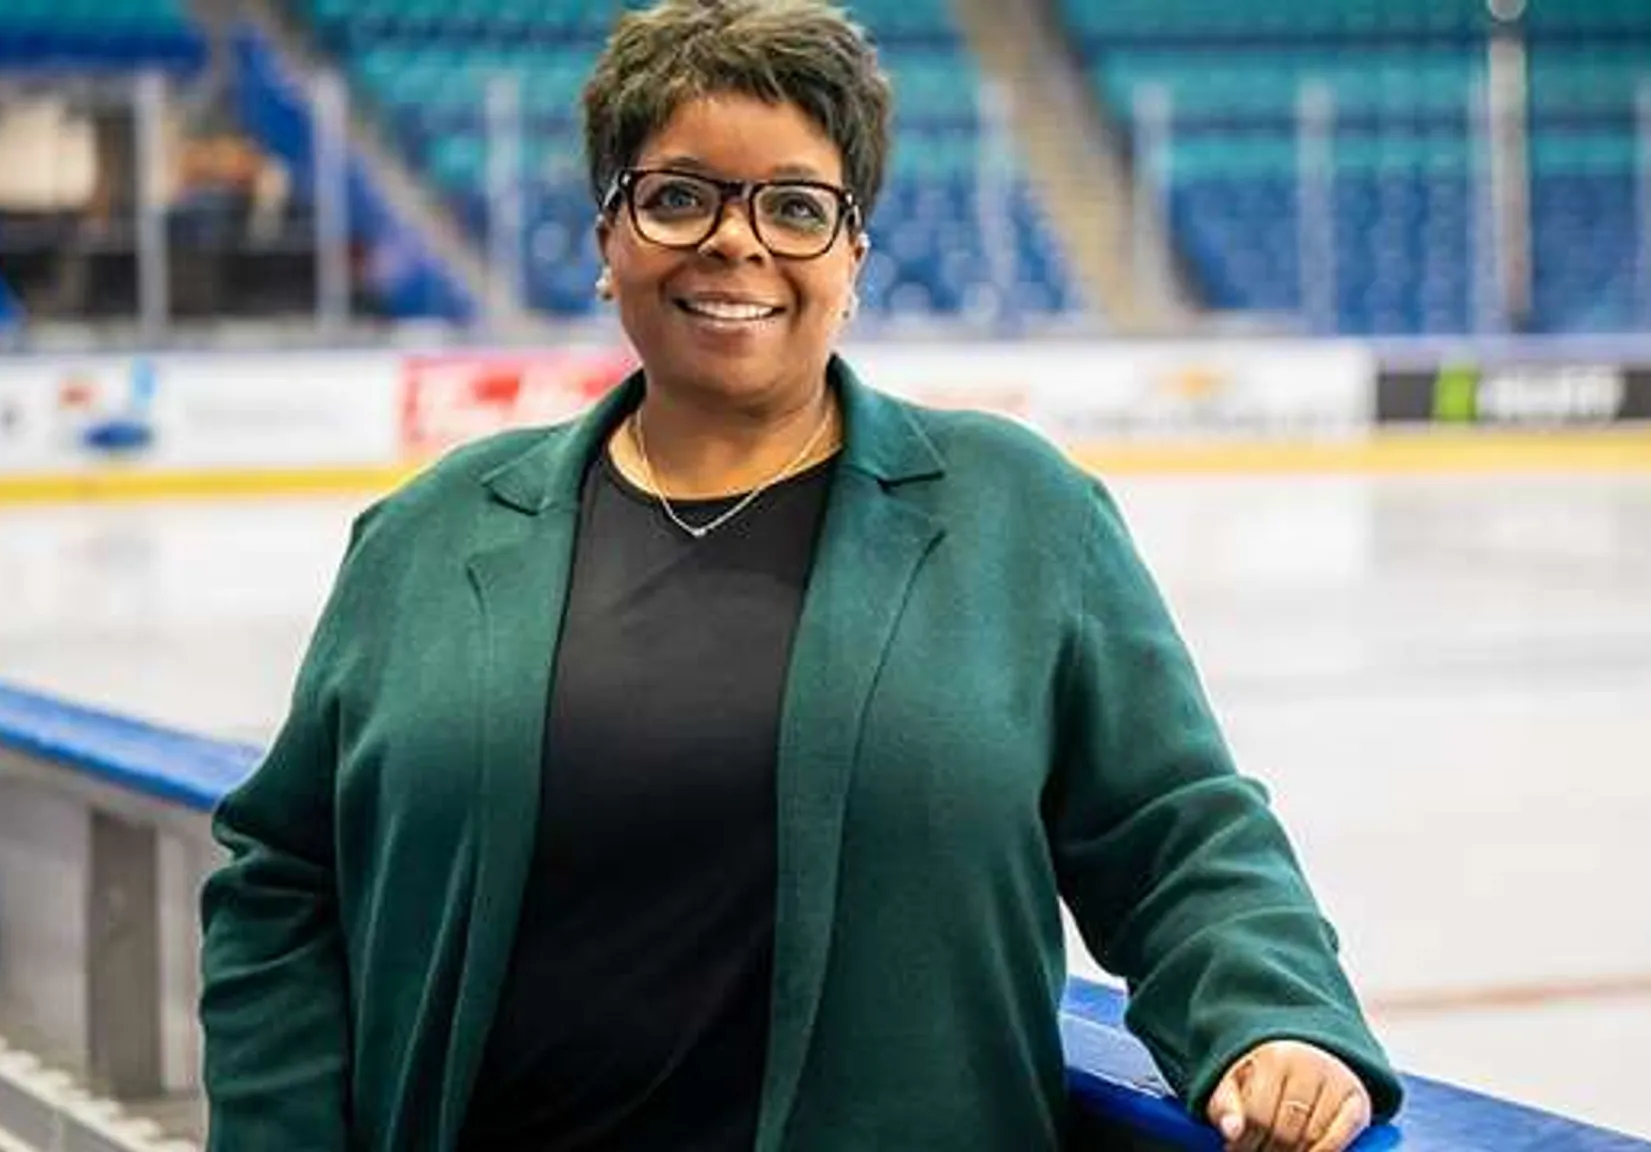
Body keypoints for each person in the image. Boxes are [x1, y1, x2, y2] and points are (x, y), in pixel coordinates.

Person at [197, 2, 1402, 1150]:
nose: (735, 239)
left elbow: (1174, 831)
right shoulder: (428, 532)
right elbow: (285, 881)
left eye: (794, 205)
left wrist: (1272, 1013)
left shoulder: (1018, 517)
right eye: (677, 197)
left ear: (854, 252)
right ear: (605, 242)